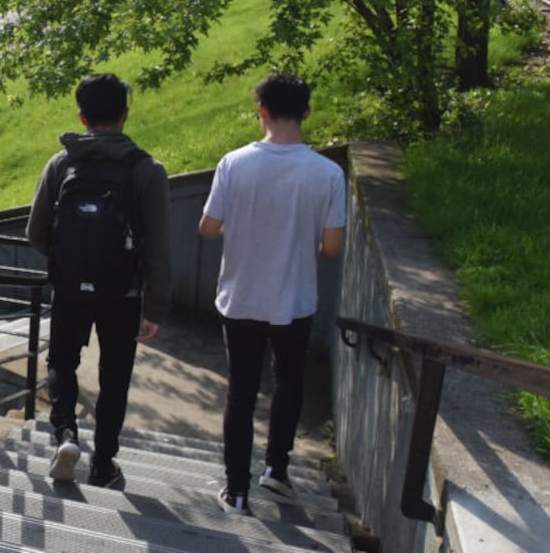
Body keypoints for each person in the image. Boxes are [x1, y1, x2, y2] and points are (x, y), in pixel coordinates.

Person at [199, 72, 345, 514]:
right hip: (295, 297)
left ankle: (236, 490)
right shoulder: (328, 173)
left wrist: (236, 224)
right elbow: (333, 247)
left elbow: (207, 228)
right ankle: (276, 470)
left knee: (241, 392)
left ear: (260, 111)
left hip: (241, 296)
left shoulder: (233, 163)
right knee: (289, 381)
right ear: (306, 112)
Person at [25, 73, 171, 488]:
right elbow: (160, 247)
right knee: (115, 375)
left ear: (82, 116)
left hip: (70, 287)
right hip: (123, 293)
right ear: (125, 115)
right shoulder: (147, 171)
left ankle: (66, 436)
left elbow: (35, 232)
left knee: (62, 362)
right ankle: (104, 464)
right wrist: (156, 306)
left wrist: (70, 261)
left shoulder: (61, 163)